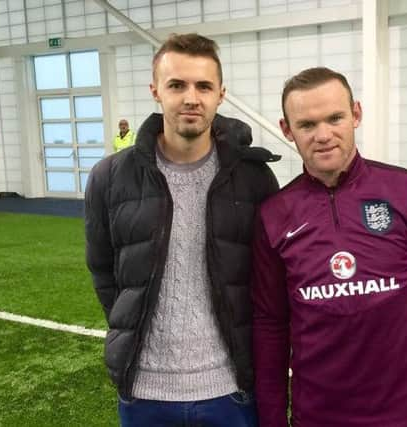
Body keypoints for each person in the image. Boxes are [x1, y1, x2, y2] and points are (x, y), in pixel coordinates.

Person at [251, 67, 407, 427]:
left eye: (335, 118)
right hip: (317, 419)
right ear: (286, 129)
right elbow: (270, 326)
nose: (323, 135)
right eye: (307, 125)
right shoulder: (274, 215)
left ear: (355, 114)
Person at [85, 33, 279, 427]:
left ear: (221, 94)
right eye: (177, 85)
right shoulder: (109, 177)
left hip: (230, 390)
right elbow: (104, 272)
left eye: (203, 85)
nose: (191, 97)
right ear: (156, 91)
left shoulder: (254, 178)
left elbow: (269, 279)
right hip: (145, 395)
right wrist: (135, 329)